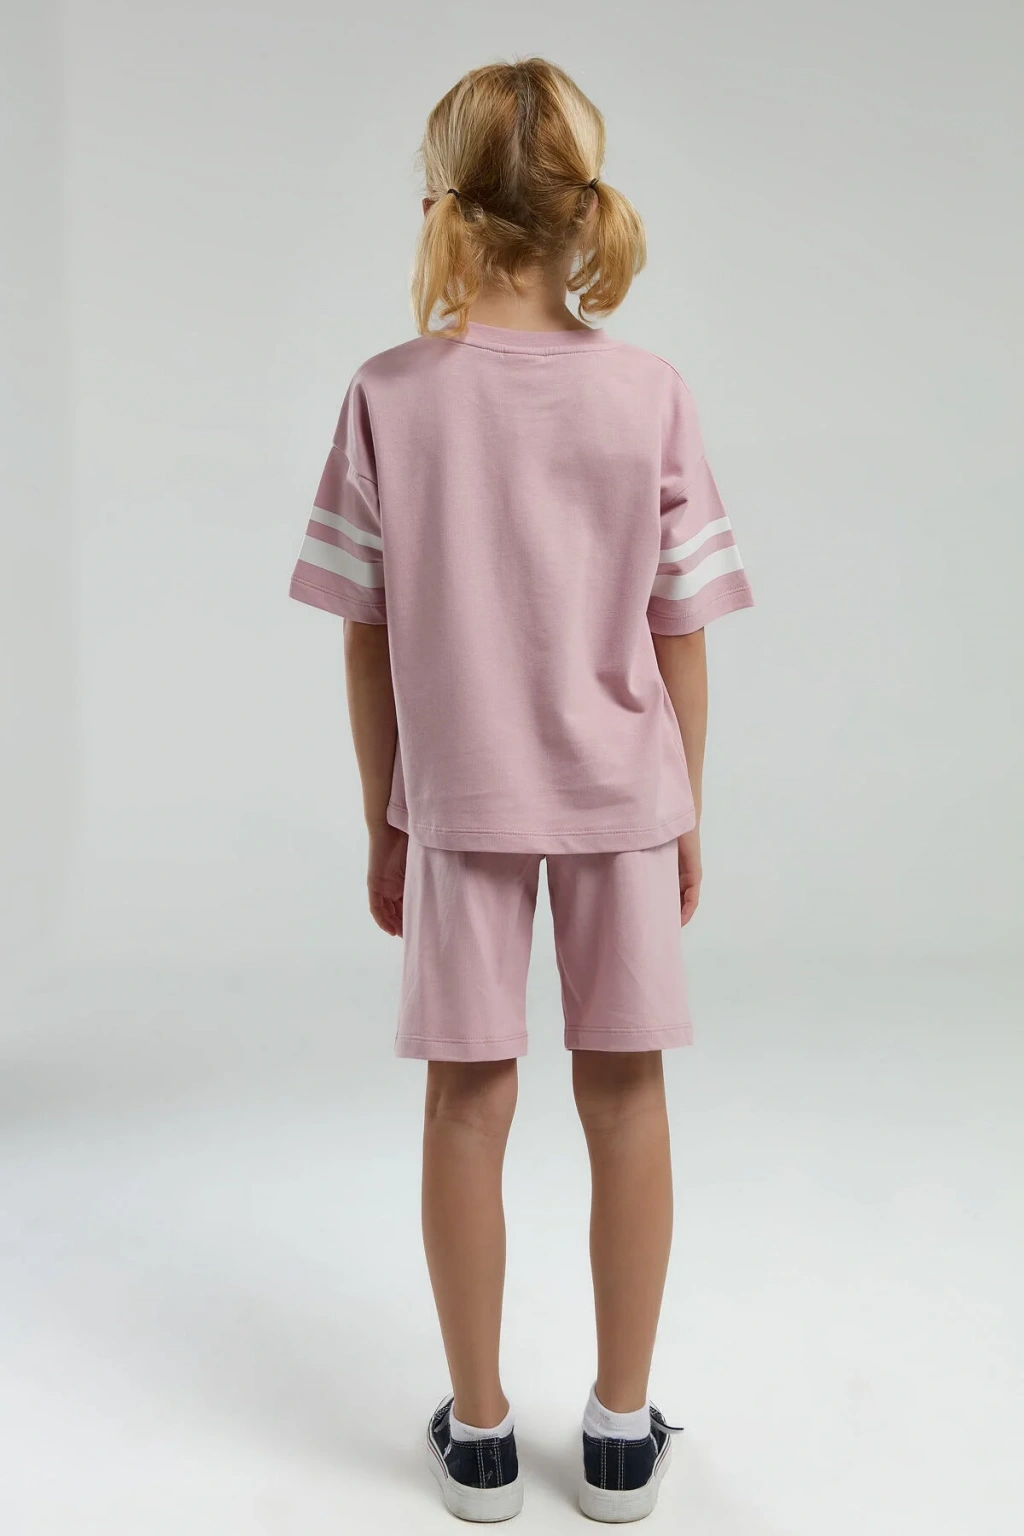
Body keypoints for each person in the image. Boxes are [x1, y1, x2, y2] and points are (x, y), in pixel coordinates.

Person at [289, 56, 753, 1525]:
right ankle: (619, 1437)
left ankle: (480, 1439)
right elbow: (681, 634)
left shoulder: (388, 394)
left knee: (466, 1103)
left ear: (444, 203)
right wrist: (685, 809)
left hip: (461, 800)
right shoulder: (649, 393)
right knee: (627, 1096)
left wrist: (388, 814)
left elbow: (365, 639)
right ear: (580, 207)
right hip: (625, 794)